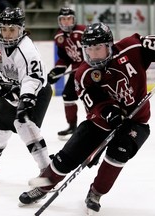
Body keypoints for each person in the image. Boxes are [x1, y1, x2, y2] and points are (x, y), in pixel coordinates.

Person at [22, 22, 155, 212]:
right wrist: (107, 111)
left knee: (118, 154)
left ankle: (96, 192)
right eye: (88, 49)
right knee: (67, 156)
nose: (93, 54)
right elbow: (92, 101)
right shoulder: (83, 73)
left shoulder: (130, 47)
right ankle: (43, 185)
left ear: (109, 45)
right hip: (101, 122)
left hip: (136, 121)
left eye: (98, 48)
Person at [0, 7, 52, 204]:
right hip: (10, 88)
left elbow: (33, 78)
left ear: (21, 29)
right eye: (4, 29)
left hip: (36, 91)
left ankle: (48, 171)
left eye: (11, 29)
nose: (6, 34)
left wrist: (26, 99)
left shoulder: (27, 49)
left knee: (24, 125)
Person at [46, 7, 86, 140]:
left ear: (74, 20)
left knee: (90, 97)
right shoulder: (59, 37)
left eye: (69, 19)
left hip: (90, 71)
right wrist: (57, 71)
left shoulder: (83, 31)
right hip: (76, 73)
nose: (66, 22)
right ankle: (72, 126)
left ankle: (98, 124)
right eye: (63, 19)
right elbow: (64, 58)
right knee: (68, 95)